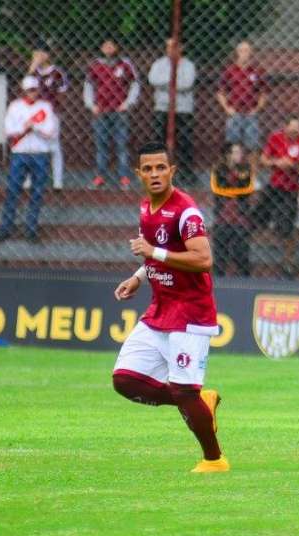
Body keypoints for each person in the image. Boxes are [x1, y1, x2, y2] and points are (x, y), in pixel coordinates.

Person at [111, 141, 227, 474]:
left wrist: (153, 254)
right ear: (139, 174)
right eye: (147, 169)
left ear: (172, 171)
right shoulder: (146, 208)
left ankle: (214, 460)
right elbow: (154, 250)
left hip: (190, 314)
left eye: (161, 167)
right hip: (160, 309)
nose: (155, 174)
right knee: (125, 380)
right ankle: (199, 401)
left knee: (184, 391)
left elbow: (204, 259)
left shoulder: (186, 210)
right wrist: (138, 276)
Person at [0, 77, 57, 244]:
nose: (32, 93)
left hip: (39, 153)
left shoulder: (45, 106)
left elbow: (51, 131)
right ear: (23, 90)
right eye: (29, 90)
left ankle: (31, 228)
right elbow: (9, 130)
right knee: (13, 191)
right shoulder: (15, 106)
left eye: (35, 89)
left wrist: (34, 127)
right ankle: (6, 226)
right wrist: (24, 128)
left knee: (37, 192)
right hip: (19, 153)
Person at [260, 115, 299, 278]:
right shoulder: (275, 137)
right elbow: (263, 160)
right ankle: (269, 243)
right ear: (286, 127)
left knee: (288, 225)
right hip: (275, 186)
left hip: (292, 188)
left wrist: (295, 166)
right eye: (292, 128)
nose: (295, 132)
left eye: (298, 129)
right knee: (259, 215)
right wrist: (278, 163)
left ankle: (287, 260)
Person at [84, 39, 139, 190]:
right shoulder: (95, 65)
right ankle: (100, 177)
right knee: (101, 145)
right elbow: (88, 86)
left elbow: (135, 84)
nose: (108, 48)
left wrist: (128, 103)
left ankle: (124, 177)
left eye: (111, 45)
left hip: (119, 111)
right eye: (105, 45)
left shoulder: (125, 64)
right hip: (101, 110)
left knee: (122, 145)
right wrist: (91, 105)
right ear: (101, 48)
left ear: (116, 47)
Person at [148, 38, 197, 184]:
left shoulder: (189, 65)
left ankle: (185, 173)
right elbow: (153, 79)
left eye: (174, 46)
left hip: (183, 109)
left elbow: (187, 83)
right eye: (168, 47)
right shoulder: (159, 64)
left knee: (185, 141)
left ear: (181, 47)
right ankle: (158, 173)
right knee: (158, 141)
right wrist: (174, 81)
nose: (171, 49)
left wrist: (167, 83)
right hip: (162, 107)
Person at [211, 142, 256, 277]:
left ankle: (244, 280)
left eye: (240, 152)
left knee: (241, 253)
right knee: (220, 253)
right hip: (223, 215)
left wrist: (231, 190)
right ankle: (219, 280)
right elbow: (216, 189)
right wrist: (234, 192)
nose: (239, 155)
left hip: (241, 216)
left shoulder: (246, 168)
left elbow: (248, 189)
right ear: (227, 155)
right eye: (235, 152)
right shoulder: (218, 169)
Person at [28, 41, 68, 190]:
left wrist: (55, 112)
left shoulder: (56, 72)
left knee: (54, 146)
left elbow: (62, 94)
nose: (36, 57)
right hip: (33, 114)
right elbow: (26, 87)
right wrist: (32, 68)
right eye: (34, 54)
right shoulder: (33, 72)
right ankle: (30, 179)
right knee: (31, 146)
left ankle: (57, 181)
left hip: (51, 114)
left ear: (47, 55)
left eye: (39, 54)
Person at [217, 41, 268, 154]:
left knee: (253, 147)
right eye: (241, 50)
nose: (244, 53)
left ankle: (252, 172)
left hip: (251, 113)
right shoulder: (230, 71)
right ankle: (231, 171)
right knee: (232, 146)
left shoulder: (257, 71)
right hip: (234, 113)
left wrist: (256, 110)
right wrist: (227, 109)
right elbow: (220, 93)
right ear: (237, 52)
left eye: (247, 50)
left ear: (251, 53)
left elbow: (263, 94)